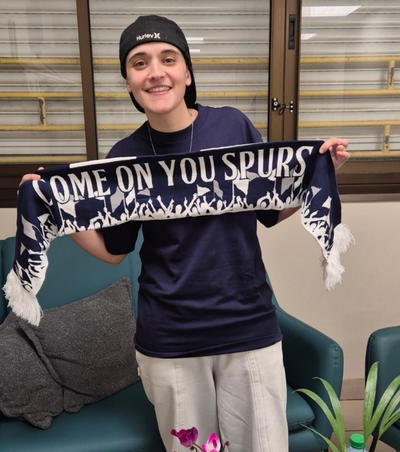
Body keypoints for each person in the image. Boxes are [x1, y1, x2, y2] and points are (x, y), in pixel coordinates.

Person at [20, 15, 350, 452]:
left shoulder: (232, 127)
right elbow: (114, 250)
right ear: (128, 83)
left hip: (248, 328)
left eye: (168, 59)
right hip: (169, 339)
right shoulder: (124, 158)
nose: (155, 71)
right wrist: (56, 211)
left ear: (187, 73)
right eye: (139, 63)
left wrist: (321, 176)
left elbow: (269, 211)